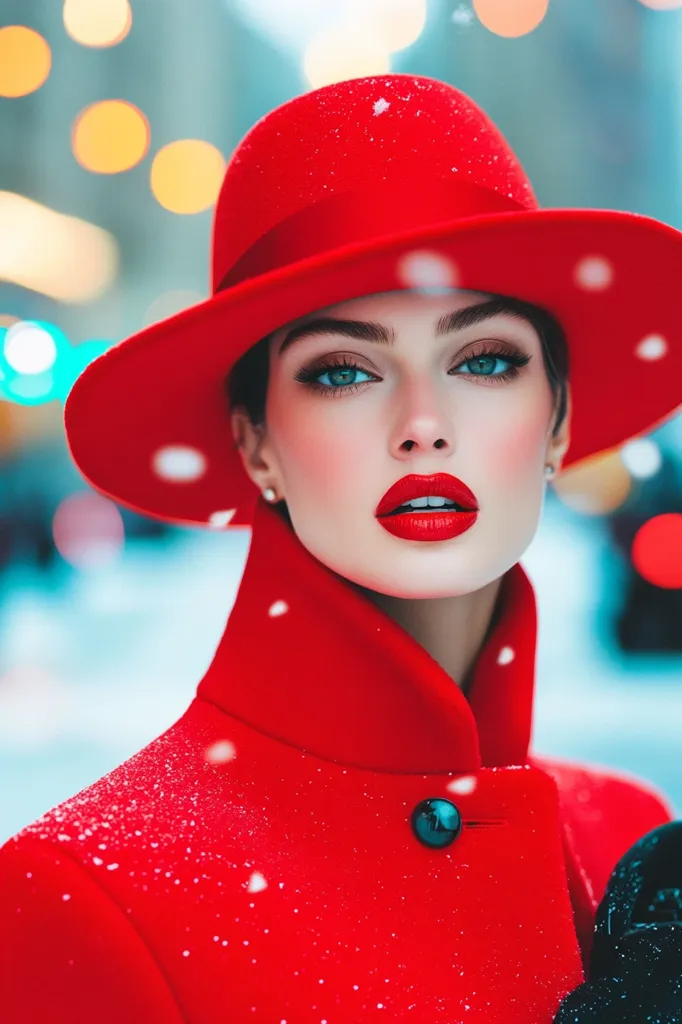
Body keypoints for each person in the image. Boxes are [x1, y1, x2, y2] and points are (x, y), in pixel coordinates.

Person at [1, 72, 681, 1024]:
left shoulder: (631, 846)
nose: (424, 425)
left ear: (560, 420)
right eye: (343, 370)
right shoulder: (82, 894)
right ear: (255, 442)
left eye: (484, 360)